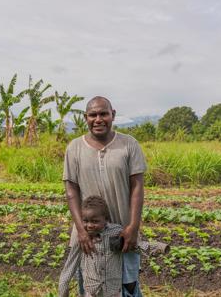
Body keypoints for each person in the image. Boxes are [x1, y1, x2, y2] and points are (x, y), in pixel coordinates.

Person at [63, 96, 147, 296]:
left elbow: (137, 187)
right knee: (92, 287)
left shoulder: (128, 144)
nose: (98, 119)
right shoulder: (74, 148)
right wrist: (81, 231)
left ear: (113, 115)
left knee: (127, 287)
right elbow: (71, 191)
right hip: (90, 237)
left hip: (122, 236)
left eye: (103, 114)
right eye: (93, 115)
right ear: (86, 117)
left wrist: (133, 227)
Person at [59, 195, 124, 297]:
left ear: (106, 219)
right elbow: (70, 266)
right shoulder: (82, 239)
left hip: (113, 291)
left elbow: (134, 245)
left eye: (95, 221)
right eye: (85, 221)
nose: (89, 225)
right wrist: (63, 287)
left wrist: (155, 247)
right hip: (92, 292)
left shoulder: (116, 232)